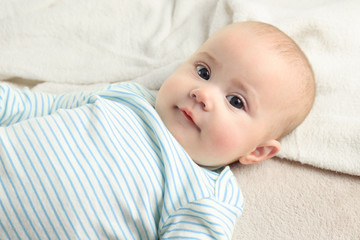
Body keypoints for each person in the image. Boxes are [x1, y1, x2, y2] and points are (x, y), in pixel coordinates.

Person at [0, 21, 315, 239]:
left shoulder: (205, 192)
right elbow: (30, 107)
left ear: (256, 151)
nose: (203, 94)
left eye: (235, 101)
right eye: (203, 71)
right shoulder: (128, 96)